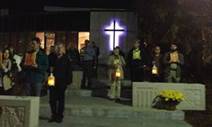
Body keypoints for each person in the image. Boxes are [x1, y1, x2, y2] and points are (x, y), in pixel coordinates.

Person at [48, 43, 72, 123]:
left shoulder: (66, 59)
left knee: (61, 100)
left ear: (63, 49)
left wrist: (67, 81)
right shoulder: (52, 57)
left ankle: (59, 116)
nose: (58, 49)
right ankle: (53, 115)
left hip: (62, 81)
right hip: (52, 80)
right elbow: (48, 67)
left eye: (60, 48)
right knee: (52, 99)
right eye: (57, 47)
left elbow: (69, 71)